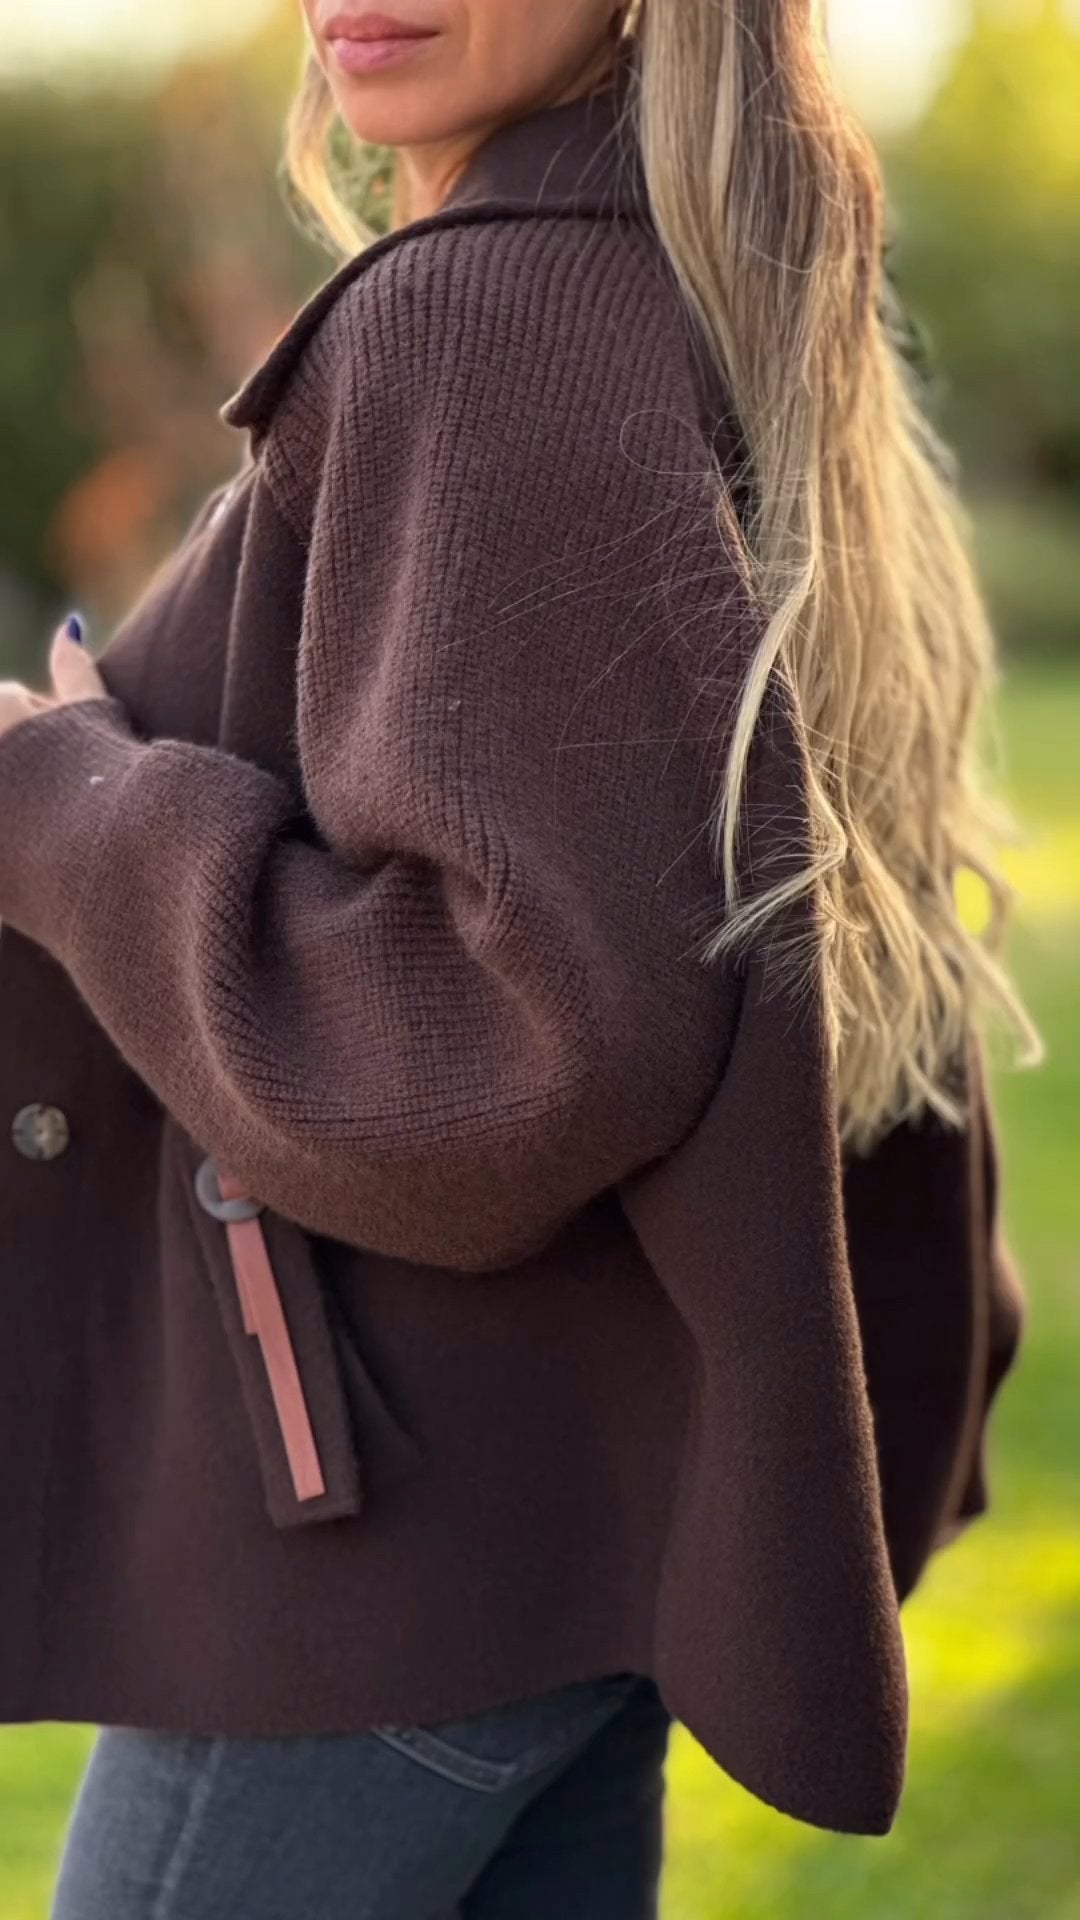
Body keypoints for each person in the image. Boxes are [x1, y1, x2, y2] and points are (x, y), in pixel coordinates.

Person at [0, 3, 1037, 1916]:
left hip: (378, 1561)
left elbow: (520, 1039)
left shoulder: (487, 316)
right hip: (553, 1533)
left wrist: (67, 805)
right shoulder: (682, 278)